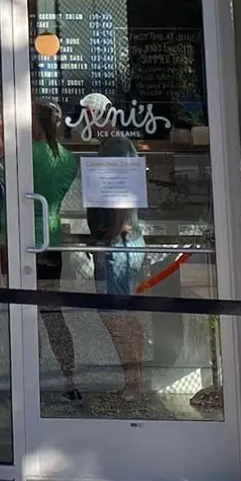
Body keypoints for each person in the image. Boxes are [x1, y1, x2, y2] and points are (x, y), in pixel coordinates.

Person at [87, 134, 147, 401]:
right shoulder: (125, 156)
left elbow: (121, 204)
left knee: (115, 317)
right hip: (125, 243)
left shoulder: (117, 161)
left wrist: (109, 235)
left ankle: (134, 382)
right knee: (122, 316)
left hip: (118, 245)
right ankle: (134, 379)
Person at [31, 99, 81, 401]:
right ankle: (69, 376)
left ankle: (28, 376)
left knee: (23, 311)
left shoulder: (25, 155)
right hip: (52, 238)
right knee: (52, 312)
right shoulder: (67, 159)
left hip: (23, 237)